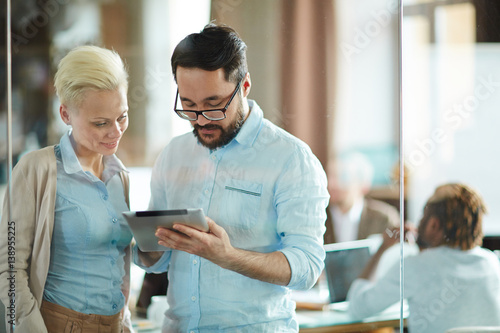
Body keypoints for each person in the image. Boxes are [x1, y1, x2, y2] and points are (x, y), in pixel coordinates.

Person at [134, 23, 329, 332]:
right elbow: (155, 261)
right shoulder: (173, 154)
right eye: (189, 105)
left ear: (245, 86)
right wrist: (150, 246)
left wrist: (227, 256)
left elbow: (307, 268)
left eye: (214, 105)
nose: (201, 120)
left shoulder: (291, 159)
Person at [0, 45, 134, 333]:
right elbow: (9, 269)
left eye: (122, 116)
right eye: (101, 123)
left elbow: (117, 259)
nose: (115, 131)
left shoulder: (119, 175)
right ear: (65, 114)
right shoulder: (35, 170)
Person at [347, 183, 500, 333]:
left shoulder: (415, 266)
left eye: (423, 216)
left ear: (434, 224)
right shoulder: (490, 262)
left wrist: (382, 249)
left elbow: (357, 308)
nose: (418, 222)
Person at [324, 152, 399, 244]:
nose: (331, 184)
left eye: (342, 177)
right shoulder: (316, 217)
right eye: (328, 176)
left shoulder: (384, 219)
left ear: (364, 185)